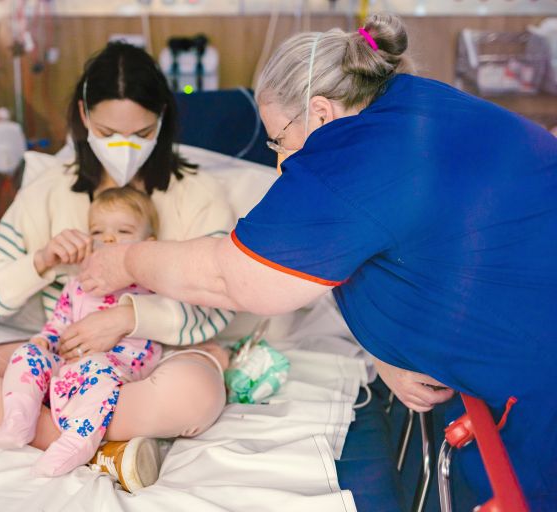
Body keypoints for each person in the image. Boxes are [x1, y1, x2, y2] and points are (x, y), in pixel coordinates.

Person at [79, 14, 557, 509]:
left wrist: (129, 261)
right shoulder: (415, 104)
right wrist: (384, 351)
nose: (281, 161)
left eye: (278, 140)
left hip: (536, 379)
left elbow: (233, 279)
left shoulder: (348, 156)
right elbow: (396, 243)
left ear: (322, 113)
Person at [0, 41, 234, 491]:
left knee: (196, 395)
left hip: (150, 360)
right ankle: (100, 446)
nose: (123, 147)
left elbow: (221, 299)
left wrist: (130, 317)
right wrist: (39, 263)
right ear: (83, 115)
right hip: (59, 354)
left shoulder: (198, 194)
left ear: (162, 121)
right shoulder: (48, 192)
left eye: (140, 133)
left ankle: (5, 426)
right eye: (108, 130)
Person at [0, 187, 166, 479]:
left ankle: (77, 442)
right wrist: (45, 339)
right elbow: (60, 320)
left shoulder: (150, 284)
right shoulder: (78, 284)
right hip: (70, 362)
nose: (108, 239)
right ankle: (18, 419)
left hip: (117, 364)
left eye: (123, 230)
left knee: (98, 368)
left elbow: (168, 316)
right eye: (98, 232)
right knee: (27, 353)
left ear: (149, 245)